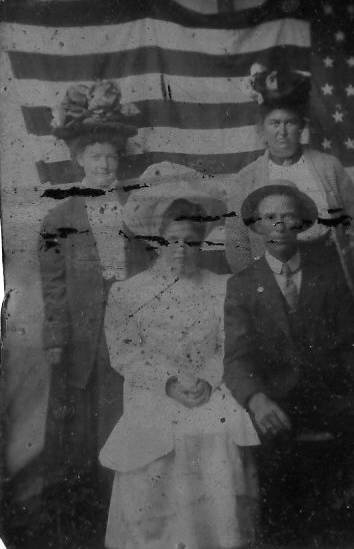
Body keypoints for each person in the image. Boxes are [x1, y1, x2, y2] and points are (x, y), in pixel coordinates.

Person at [99, 166, 260, 549]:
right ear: (156, 241)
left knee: (218, 432)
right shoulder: (128, 293)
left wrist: (207, 379)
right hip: (153, 390)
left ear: (201, 242)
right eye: (171, 241)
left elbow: (229, 346)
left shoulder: (222, 287)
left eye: (189, 242)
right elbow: (125, 354)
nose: (180, 250)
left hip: (210, 388)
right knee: (159, 441)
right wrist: (168, 383)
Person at [224, 181, 354, 540]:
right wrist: (256, 398)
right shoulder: (242, 285)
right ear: (257, 226)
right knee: (277, 476)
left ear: (300, 223)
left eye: (288, 216)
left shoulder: (328, 274)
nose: (279, 225)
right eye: (269, 217)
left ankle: (353, 529)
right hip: (277, 399)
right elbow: (237, 357)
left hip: (330, 393)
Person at [38, 81, 152, 534]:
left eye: (111, 158)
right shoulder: (60, 216)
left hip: (129, 329)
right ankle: (82, 514)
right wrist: (57, 339)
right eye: (96, 157)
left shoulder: (139, 210)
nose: (104, 165)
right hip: (82, 334)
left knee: (121, 413)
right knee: (79, 425)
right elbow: (53, 286)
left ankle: (123, 508)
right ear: (80, 160)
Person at [225, 64, 354, 304]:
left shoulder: (329, 167)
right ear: (262, 130)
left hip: (329, 275)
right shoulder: (246, 178)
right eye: (274, 123)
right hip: (274, 282)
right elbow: (237, 244)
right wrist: (257, 295)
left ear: (302, 126)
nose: (282, 132)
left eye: (290, 123)